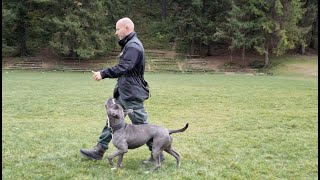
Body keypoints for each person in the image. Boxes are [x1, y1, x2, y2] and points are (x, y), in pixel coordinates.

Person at [80, 17, 164, 164]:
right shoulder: (129, 45)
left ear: (127, 28)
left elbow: (125, 66)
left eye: (118, 29)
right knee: (112, 120)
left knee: (142, 124)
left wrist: (103, 73)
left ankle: (158, 154)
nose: (116, 32)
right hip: (126, 92)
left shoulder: (133, 46)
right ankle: (100, 149)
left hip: (132, 94)